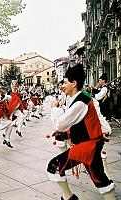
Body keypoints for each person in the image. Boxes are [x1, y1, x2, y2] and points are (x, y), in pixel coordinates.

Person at [47, 64, 115, 200]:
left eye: (65, 82)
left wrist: (54, 109)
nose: (62, 86)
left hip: (88, 146)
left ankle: (69, 198)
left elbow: (60, 124)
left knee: (54, 166)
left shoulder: (81, 102)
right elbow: (80, 121)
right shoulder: (76, 98)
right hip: (89, 144)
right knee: (100, 179)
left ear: (74, 83)